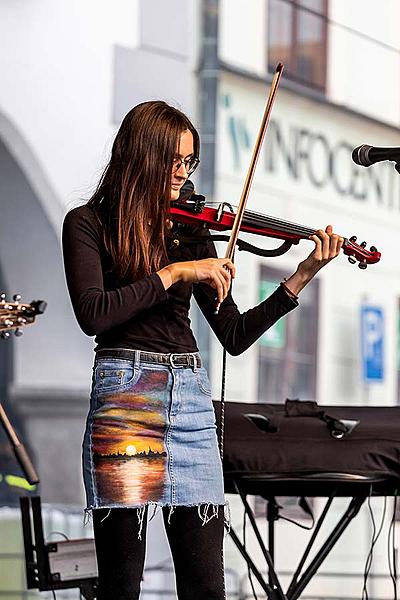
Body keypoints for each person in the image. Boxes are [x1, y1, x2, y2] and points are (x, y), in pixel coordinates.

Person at [62, 100, 343, 600]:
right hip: (126, 397)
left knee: (205, 587)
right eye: (174, 160)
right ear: (141, 155)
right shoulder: (87, 223)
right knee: (121, 585)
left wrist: (301, 276)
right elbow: (94, 314)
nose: (183, 172)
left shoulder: (191, 229)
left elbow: (233, 335)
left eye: (190, 161)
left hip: (190, 400)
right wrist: (173, 274)